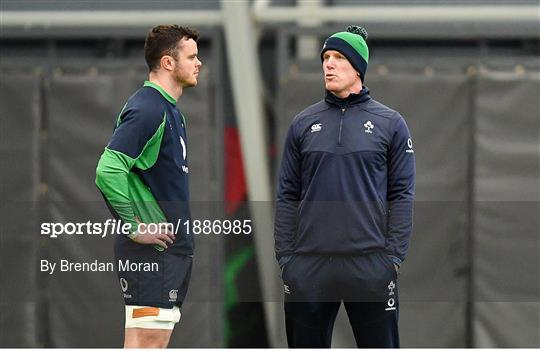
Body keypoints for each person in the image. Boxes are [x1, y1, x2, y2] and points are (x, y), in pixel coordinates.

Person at [274, 25, 415, 348]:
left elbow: (402, 195)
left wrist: (391, 258)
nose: (329, 64)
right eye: (325, 57)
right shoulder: (302, 124)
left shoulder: (390, 124)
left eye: (338, 57)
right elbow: (287, 195)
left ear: (358, 67)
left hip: (370, 266)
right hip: (309, 267)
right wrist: (287, 259)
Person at [95, 25, 202, 348]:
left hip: (168, 254)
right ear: (168, 63)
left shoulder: (169, 110)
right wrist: (134, 226)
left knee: (146, 344)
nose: (199, 63)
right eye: (192, 56)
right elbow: (108, 170)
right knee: (147, 344)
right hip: (153, 254)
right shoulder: (149, 108)